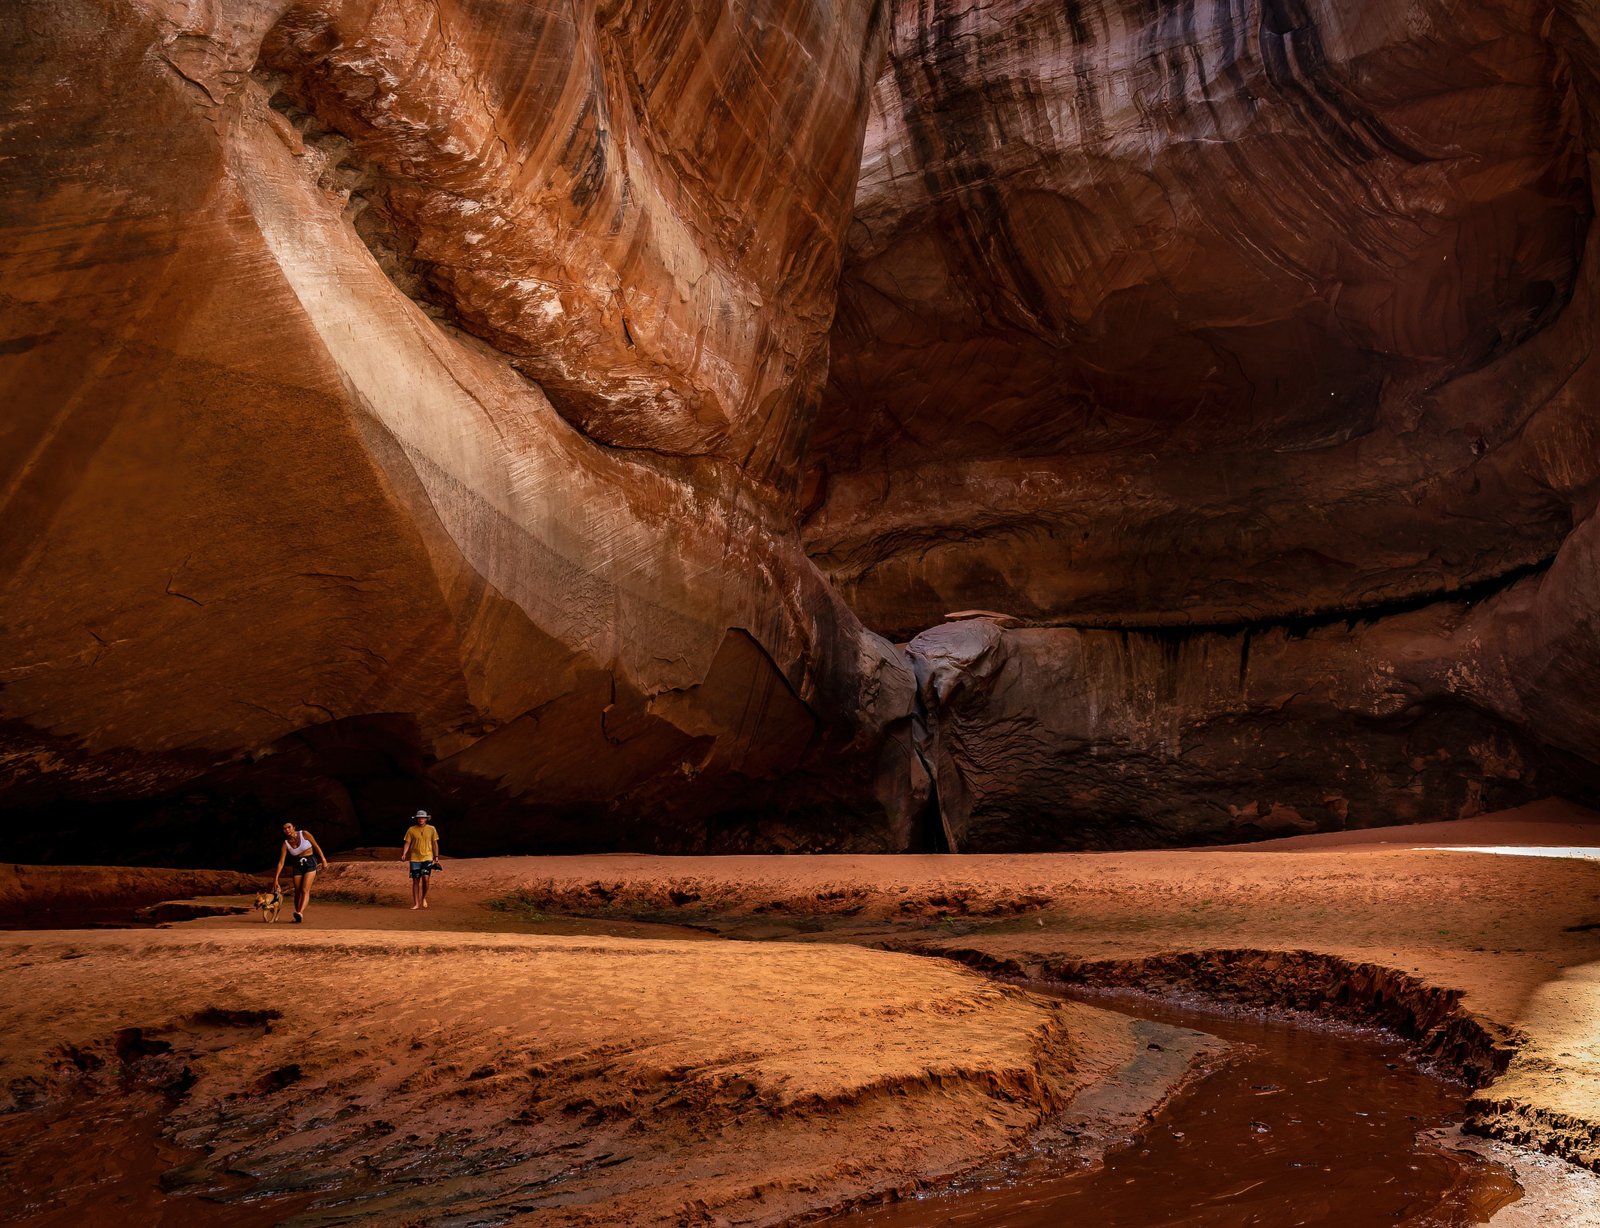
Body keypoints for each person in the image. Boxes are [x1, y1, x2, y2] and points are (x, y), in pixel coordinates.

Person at [271, 821, 328, 924]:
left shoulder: (304, 834)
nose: (287, 830)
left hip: (310, 863)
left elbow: (316, 845)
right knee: (297, 891)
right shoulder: (286, 844)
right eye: (285, 829)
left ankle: (300, 912)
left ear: (294, 827)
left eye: (289, 827)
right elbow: (281, 862)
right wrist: (275, 879)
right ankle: (297, 915)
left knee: (305, 889)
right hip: (297, 866)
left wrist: (323, 859)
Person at [401, 810, 442, 910]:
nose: (421, 819)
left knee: (425, 878)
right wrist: (404, 853)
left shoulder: (432, 829)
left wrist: (436, 857)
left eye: (423, 818)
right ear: (416, 819)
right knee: (415, 880)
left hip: (428, 857)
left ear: (426, 819)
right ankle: (416, 903)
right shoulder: (411, 830)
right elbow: (407, 843)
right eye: (419, 818)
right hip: (415, 858)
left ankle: (423, 897)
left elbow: (435, 844)